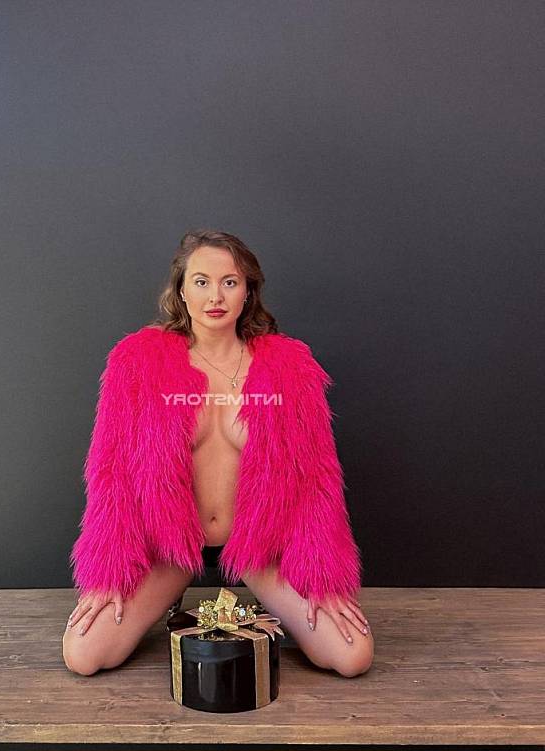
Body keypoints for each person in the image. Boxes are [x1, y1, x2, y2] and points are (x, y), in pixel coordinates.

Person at [63, 230, 374, 678]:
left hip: (258, 547)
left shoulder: (289, 368)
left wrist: (322, 575)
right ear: (181, 290)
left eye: (230, 282)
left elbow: (317, 476)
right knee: (85, 655)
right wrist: (107, 573)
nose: (216, 296)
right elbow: (109, 470)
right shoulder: (137, 362)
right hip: (171, 547)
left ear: (248, 292)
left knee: (351, 656)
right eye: (202, 281)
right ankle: (166, 594)